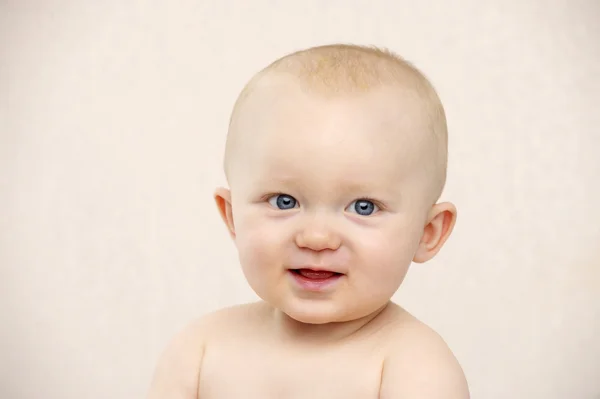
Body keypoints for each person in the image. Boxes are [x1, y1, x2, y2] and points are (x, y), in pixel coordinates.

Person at [147, 43, 469, 398]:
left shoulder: (414, 368)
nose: (317, 238)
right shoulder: (199, 352)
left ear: (428, 233)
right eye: (285, 202)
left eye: (363, 207)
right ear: (232, 216)